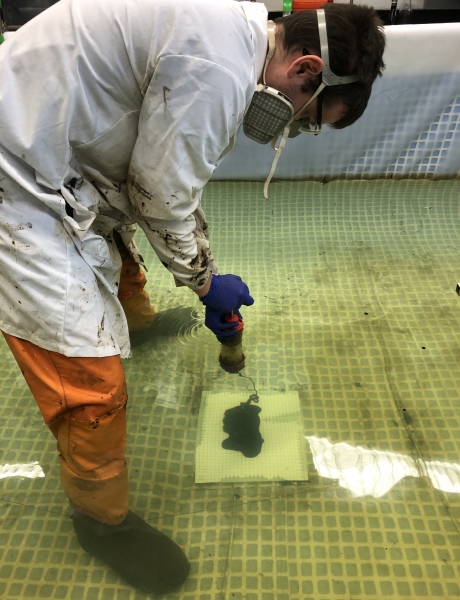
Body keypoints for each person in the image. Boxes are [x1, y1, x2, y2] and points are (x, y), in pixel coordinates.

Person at [0, 0, 385, 593]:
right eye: (307, 119)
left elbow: (163, 183)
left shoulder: (230, 35)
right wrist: (207, 283)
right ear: (307, 70)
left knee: (118, 237)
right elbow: (159, 193)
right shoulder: (220, 72)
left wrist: (202, 270)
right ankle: (101, 523)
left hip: (58, 146)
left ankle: (137, 322)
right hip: (16, 177)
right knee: (91, 382)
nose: (291, 129)